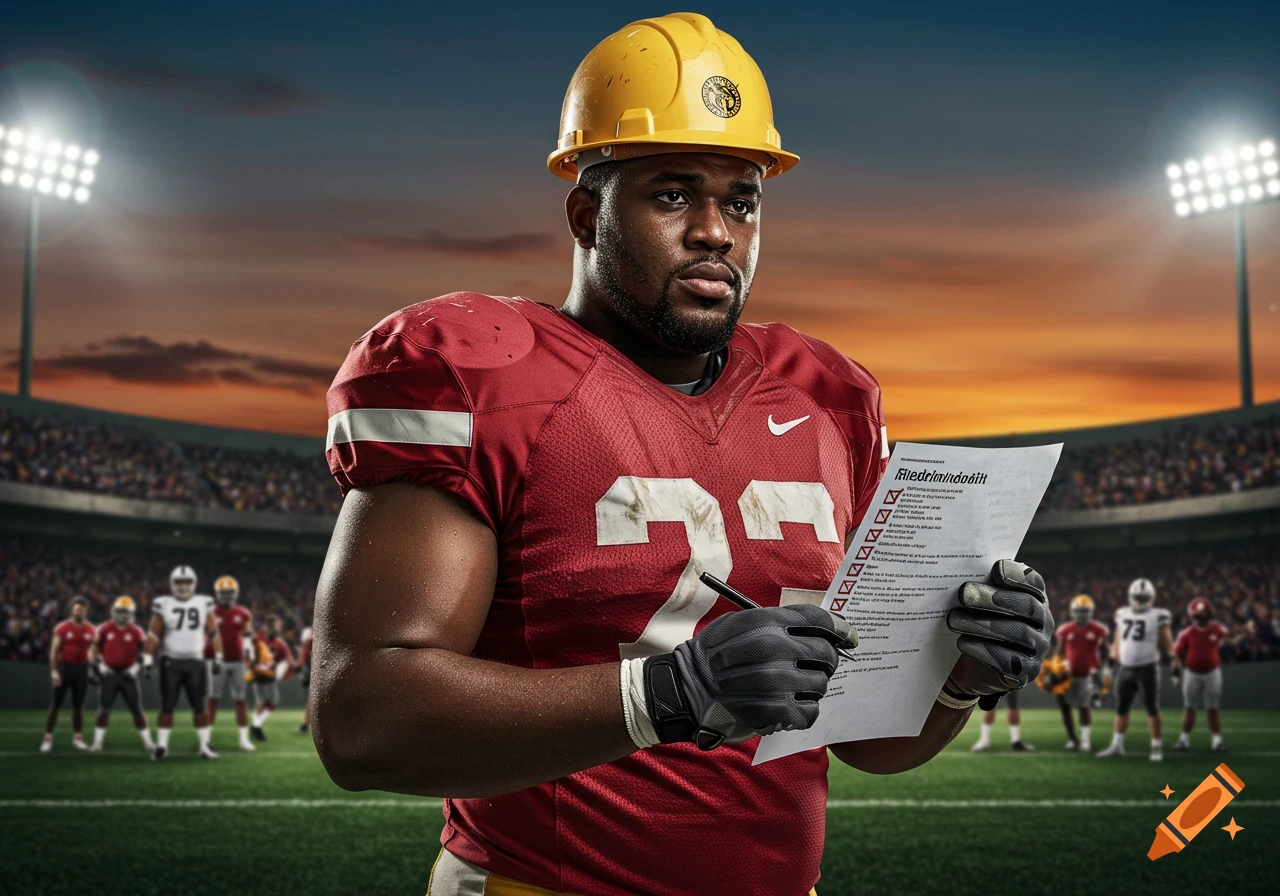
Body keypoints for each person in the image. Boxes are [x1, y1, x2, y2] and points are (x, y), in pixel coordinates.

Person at [311, 14, 1055, 896]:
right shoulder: (484, 375)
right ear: (588, 213)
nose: (715, 231)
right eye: (673, 194)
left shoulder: (825, 396)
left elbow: (866, 741)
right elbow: (362, 718)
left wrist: (960, 678)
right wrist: (667, 692)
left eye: (740, 200)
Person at [144, 565, 221, 760]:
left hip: (195, 661)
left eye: (187, 582)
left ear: (194, 584)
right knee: (167, 705)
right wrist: (147, 659)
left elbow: (213, 631)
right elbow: (153, 634)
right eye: (179, 582)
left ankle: (204, 746)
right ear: (172, 584)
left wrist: (218, 655)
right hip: (171, 662)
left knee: (199, 706)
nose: (183, 586)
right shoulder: (164, 603)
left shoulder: (204, 603)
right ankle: (161, 746)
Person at [1097, 578, 1173, 761]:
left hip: (1147, 667)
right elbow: (1118, 638)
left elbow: (1167, 641)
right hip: (1125, 668)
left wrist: (1174, 661)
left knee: (1152, 708)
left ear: (1151, 597)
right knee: (1121, 707)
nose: (1140, 600)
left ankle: (1156, 747)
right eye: (1138, 597)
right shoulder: (1122, 613)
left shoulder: (1158, 615)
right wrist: (1112, 657)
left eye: (1143, 597)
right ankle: (1117, 745)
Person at [88, 596, 154, 753]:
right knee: (103, 710)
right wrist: (95, 665)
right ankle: (97, 742)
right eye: (120, 611)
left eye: (126, 612)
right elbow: (95, 648)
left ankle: (148, 742)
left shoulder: (136, 630)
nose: (123, 615)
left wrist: (142, 666)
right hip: (109, 674)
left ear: (132, 613)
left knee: (137, 711)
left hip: (128, 676)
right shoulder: (104, 628)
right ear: (113, 611)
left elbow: (145, 651)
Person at [1051, 594, 1110, 751]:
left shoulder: (1098, 630)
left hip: (1086, 675)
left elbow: (1105, 651)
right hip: (1068, 674)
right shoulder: (1065, 630)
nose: (1082, 614)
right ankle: (1072, 739)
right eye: (1079, 610)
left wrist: (1100, 667)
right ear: (1073, 611)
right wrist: (1060, 668)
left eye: (1085, 611)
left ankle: (1085, 740)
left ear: (1090, 612)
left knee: (1084, 707)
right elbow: (1060, 652)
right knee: (1065, 707)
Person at [206, 575, 256, 752]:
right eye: (223, 592)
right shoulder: (210, 612)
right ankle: (206, 739)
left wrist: (249, 656)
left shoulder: (243, 613)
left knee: (240, 700)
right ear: (217, 594)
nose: (226, 596)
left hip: (238, 661)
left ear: (235, 594)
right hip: (215, 660)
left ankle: (243, 740)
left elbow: (248, 636)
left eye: (229, 592)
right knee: (212, 699)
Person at [1172, 597, 1228, 753]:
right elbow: (1177, 655)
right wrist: (1176, 674)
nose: (1202, 618)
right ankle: (1184, 739)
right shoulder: (1187, 633)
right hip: (1192, 673)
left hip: (1212, 672)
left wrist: (1244, 632)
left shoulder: (1216, 629)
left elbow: (1230, 638)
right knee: (1190, 707)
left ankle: (1216, 741)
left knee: (1212, 707)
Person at [41, 596, 95, 753]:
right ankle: (47, 738)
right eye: (77, 609)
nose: (80, 611)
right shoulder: (62, 627)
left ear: (86, 611)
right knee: (56, 705)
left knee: (78, 707)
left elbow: (93, 650)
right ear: (72, 610)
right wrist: (54, 671)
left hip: (82, 671)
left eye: (82, 609)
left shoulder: (91, 629)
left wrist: (94, 660)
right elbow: (53, 652)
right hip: (64, 669)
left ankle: (78, 739)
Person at [248, 614, 295, 741]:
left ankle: (255, 725)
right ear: (269, 626)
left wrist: (286, 669)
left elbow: (289, 660)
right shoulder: (258, 638)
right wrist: (256, 666)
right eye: (277, 625)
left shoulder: (279, 642)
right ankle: (256, 728)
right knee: (262, 702)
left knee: (271, 703)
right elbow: (250, 655)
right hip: (260, 674)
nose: (279, 628)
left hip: (271, 675)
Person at [968, 686, 1035, 752]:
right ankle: (985, 740)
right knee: (991, 704)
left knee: (1012, 705)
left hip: (1006, 678)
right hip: (1002, 678)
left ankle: (1015, 740)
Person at [297, 624, 312, 734]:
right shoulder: (310, 632)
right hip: (313, 669)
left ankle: (305, 724)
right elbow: (305, 649)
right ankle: (305, 724)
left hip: (314, 668)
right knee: (313, 699)